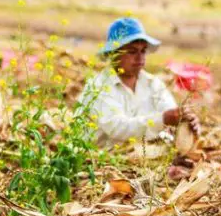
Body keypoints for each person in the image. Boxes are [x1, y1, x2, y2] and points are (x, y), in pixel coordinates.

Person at [78, 17, 200, 146]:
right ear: (113, 54)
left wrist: (186, 122)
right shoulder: (98, 87)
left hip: (140, 156)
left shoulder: (153, 84)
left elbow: (171, 113)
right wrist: (163, 119)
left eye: (143, 51)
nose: (140, 57)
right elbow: (117, 128)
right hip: (100, 159)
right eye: (132, 52)